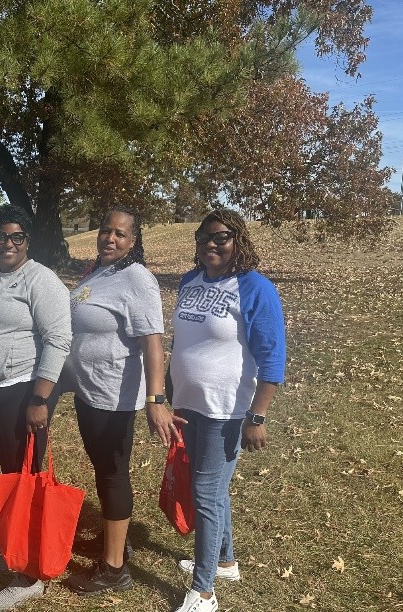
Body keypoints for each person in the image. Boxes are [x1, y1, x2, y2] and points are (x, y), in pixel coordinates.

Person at [62, 206, 185, 596]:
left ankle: (114, 568)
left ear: (133, 242)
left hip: (113, 397)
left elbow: (153, 343)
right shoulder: (99, 273)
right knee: (102, 470)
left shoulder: (138, 280)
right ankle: (113, 541)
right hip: (88, 393)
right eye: (105, 230)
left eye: (119, 234)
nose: (109, 238)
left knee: (113, 474)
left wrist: (156, 399)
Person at [169, 209, 286, 612]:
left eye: (221, 237)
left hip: (228, 411)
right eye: (204, 236)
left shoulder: (255, 288)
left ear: (239, 240)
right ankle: (225, 562)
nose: (211, 244)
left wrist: (258, 416)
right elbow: (184, 341)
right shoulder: (190, 281)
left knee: (205, 491)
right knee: (212, 489)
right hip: (189, 405)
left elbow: (272, 357)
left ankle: (203, 591)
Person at [0, 205, 72, 611]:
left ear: (28, 240)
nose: (8, 243)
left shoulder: (41, 280)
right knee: (13, 476)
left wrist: (40, 399)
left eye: (17, 237)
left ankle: (30, 575)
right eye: (0, 235)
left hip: (24, 391)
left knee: (28, 478)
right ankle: (16, 553)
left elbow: (59, 339)